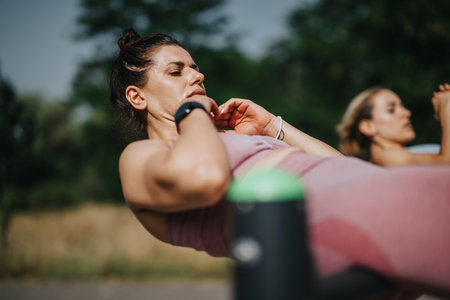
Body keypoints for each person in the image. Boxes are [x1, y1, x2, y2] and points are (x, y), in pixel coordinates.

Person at [110, 28, 450, 299]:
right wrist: (193, 110)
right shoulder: (141, 157)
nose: (197, 76)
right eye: (176, 71)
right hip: (343, 218)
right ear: (137, 97)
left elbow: (345, 167)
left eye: (196, 68)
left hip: (370, 193)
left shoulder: (214, 138)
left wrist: (274, 126)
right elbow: (206, 178)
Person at [337, 86, 450, 166]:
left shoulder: (413, 153)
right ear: (368, 126)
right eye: (391, 110)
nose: (407, 113)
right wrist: (447, 106)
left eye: (402, 106)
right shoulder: (383, 158)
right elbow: (446, 163)